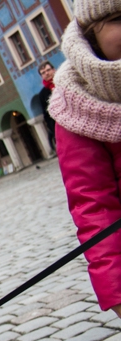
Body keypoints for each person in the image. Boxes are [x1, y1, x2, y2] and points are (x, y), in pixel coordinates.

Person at [49, 0, 121, 320]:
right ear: (93, 31)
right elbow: (95, 209)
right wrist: (116, 289)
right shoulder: (76, 104)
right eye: (119, 19)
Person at [38, 61, 57, 149]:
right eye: (43, 73)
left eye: (48, 70)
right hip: (59, 127)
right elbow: (46, 115)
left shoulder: (64, 82)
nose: (46, 73)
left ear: (54, 70)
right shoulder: (43, 94)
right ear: (41, 76)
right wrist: (54, 130)